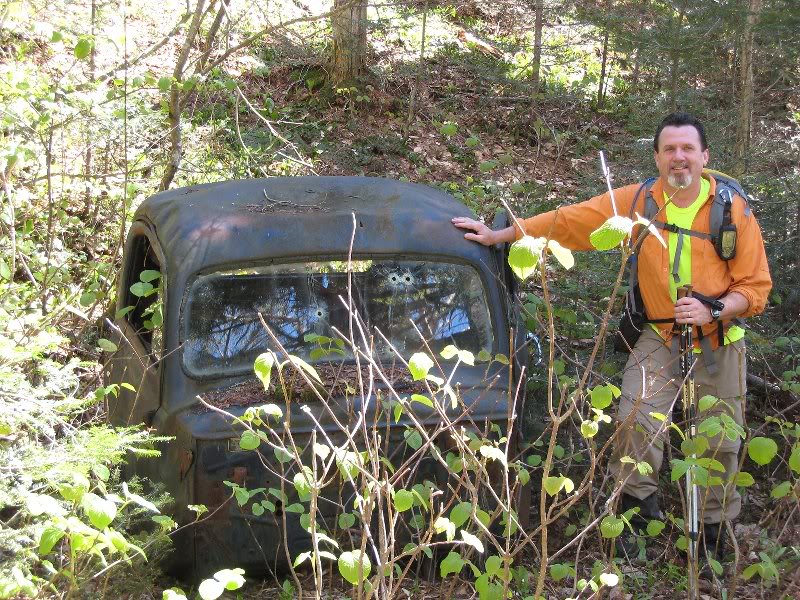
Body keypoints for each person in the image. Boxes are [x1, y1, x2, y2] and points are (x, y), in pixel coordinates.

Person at [452, 112, 772, 566]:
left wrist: (714, 307)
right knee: (634, 419)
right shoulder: (641, 200)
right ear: (658, 156)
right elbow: (574, 222)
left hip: (719, 334)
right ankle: (637, 515)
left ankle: (715, 530)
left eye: (687, 149)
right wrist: (505, 233)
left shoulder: (732, 209)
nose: (678, 157)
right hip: (659, 333)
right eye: (669, 149)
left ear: (704, 156)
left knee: (721, 437)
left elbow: (756, 286)